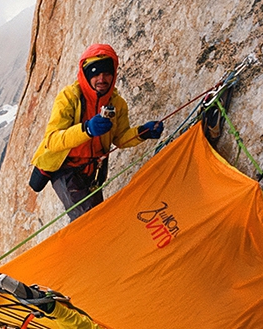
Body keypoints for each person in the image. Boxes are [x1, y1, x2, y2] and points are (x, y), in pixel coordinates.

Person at [29, 44, 164, 220]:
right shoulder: (70, 97)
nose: (101, 78)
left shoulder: (117, 103)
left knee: (97, 219)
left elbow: (120, 138)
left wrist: (142, 132)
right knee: (90, 220)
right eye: (95, 72)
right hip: (66, 168)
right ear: (86, 75)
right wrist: (86, 130)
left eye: (107, 72)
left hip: (93, 172)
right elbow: (53, 140)